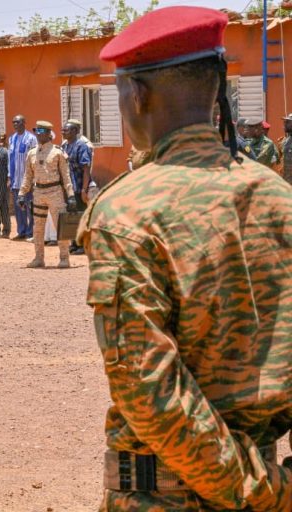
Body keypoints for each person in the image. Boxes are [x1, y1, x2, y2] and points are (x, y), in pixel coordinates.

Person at [81, 7, 292, 511]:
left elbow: (149, 389)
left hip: (171, 493)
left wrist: (252, 490)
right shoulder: (278, 196)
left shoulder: (128, 209)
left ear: (136, 94)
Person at [18, 121, 76, 268]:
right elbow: (27, 176)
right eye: (36, 130)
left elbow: (66, 175)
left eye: (41, 130)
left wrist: (70, 195)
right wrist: (22, 193)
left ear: (49, 134)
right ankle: (38, 258)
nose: (38, 133)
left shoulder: (58, 152)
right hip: (38, 193)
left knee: (60, 226)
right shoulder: (32, 153)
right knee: (38, 228)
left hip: (55, 192)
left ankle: (64, 258)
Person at [61, 119, 93, 255]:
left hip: (79, 187)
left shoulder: (81, 146)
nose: (63, 132)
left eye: (66, 130)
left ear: (74, 131)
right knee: (71, 216)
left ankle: (83, 245)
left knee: (81, 216)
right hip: (68, 188)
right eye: (63, 130)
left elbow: (86, 169)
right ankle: (74, 243)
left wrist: (84, 190)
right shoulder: (65, 146)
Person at [8, 115, 38, 240]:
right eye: (14, 122)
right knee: (18, 207)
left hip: (27, 180)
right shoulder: (11, 139)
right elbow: (11, 159)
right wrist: (9, 177)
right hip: (15, 180)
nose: (15, 124)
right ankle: (22, 231)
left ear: (24, 123)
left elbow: (34, 159)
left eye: (18, 122)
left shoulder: (31, 139)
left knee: (30, 206)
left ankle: (31, 232)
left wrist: (33, 179)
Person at [279, 113, 292, 185]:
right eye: (285, 121)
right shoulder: (285, 141)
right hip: (286, 181)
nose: (284, 124)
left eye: (288, 122)